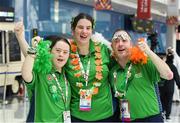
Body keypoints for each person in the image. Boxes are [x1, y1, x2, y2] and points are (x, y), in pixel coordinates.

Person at [109, 29, 173, 122]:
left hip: (151, 119)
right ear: (112, 46)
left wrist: (148, 51)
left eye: (124, 40)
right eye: (116, 41)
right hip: (127, 120)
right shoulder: (112, 72)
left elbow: (168, 75)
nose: (120, 44)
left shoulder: (143, 62)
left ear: (131, 44)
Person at [65, 13, 114, 122]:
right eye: (80, 27)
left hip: (105, 115)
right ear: (73, 29)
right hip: (76, 116)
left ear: (92, 31)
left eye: (88, 28)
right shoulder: (66, 52)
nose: (84, 31)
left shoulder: (103, 50)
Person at [21, 35, 71, 122]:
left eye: (65, 52)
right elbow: (26, 75)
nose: (61, 54)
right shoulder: (41, 72)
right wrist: (32, 48)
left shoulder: (66, 75)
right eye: (58, 50)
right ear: (49, 52)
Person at [159, 47, 180, 120]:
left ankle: (162, 113)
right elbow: (177, 78)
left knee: (162, 100)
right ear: (173, 58)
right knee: (169, 101)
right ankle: (167, 115)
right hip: (170, 88)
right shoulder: (173, 67)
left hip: (162, 87)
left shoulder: (163, 65)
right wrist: (179, 85)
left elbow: (159, 76)